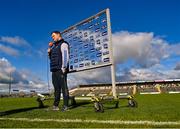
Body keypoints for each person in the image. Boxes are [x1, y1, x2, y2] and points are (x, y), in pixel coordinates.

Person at [48, 31, 69, 111]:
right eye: (52, 36)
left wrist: (64, 68)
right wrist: (49, 52)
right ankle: (55, 106)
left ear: (58, 35)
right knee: (56, 88)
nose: (52, 38)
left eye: (53, 36)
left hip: (61, 69)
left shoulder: (63, 44)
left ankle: (66, 106)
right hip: (54, 70)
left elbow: (65, 56)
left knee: (64, 88)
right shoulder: (54, 47)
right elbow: (51, 59)